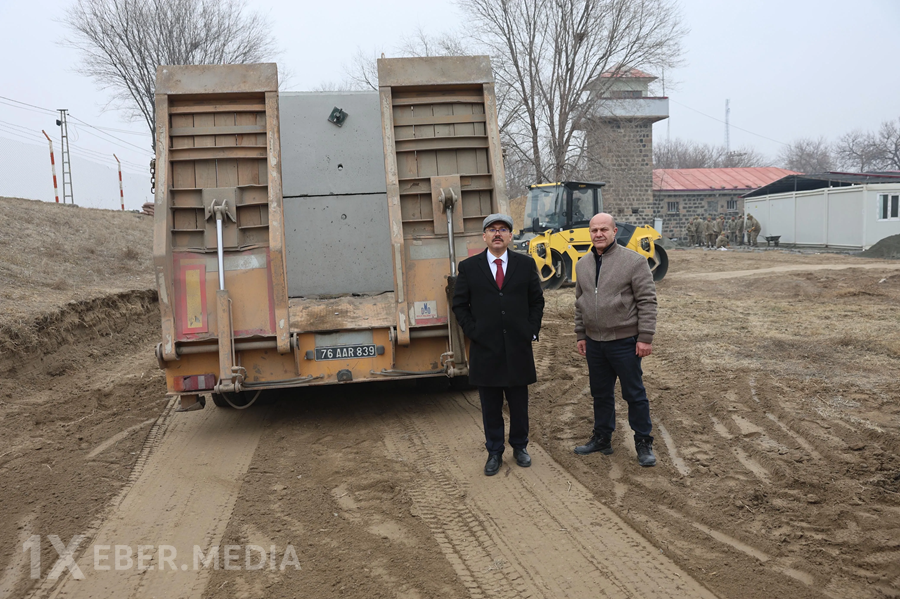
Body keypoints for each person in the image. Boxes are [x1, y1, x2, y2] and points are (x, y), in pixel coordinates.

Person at [452, 213, 545, 476]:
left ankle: (519, 447)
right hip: (486, 350)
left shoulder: (525, 265)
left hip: (518, 348)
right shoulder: (469, 267)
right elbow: (459, 304)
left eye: (503, 229)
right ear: (484, 236)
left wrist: (530, 330)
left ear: (510, 236)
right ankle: (494, 452)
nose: (497, 234)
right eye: (491, 229)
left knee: (518, 404)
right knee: (490, 406)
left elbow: (537, 301)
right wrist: (474, 332)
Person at [573, 213, 658, 467]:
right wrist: (581, 334)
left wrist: (645, 337)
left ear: (614, 231)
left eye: (603, 229)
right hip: (594, 343)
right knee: (600, 394)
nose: (598, 234)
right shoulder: (582, 264)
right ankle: (602, 437)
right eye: (594, 230)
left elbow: (647, 301)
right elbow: (580, 302)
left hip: (625, 342)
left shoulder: (634, 262)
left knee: (634, 394)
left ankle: (643, 442)